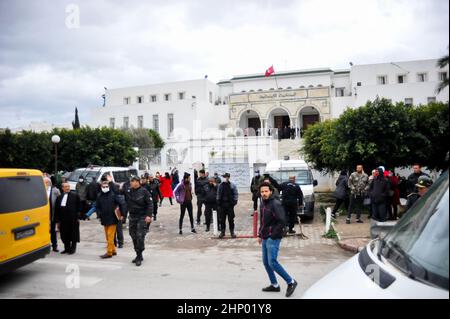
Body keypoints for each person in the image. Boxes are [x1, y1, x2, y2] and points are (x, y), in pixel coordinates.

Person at [258, 182, 298, 298]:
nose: (264, 193)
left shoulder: (275, 203)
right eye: (262, 192)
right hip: (265, 236)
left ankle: (290, 281)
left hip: (273, 237)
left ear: (270, 191)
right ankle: (274, 285)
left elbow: (282, 222)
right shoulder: (262, 203)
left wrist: (273, 235)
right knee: (266, 262)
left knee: (272, 262)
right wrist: (260, 234)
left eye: (266, 191)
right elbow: (263, 221)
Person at [123, 175, 153, 266]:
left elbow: (150, 204)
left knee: (140, 236)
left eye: (132, 181)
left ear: (137, 182)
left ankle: (139, 256)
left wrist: (149, 215)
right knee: (133, 235)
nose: (131, 183)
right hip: (132, 217)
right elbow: (118, 191)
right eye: (131, 181)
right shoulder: (129, 191)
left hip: (142, 217)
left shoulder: (144, 191)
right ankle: (138, 254)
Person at [96, 180, 127, 258]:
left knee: (110, 236)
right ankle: (113, 250)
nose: (105, 188)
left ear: (109, 187)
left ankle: (109, 252)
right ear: (101, 187)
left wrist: (123, 214)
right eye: (104, 187)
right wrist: (99, 215)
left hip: (113, 219)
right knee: (107, 236)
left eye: (107, 186)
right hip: (104, 219)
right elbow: (97, 207)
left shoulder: (113, 195)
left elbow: (122, 203)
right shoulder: (99, 196)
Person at [54, 183, 82, 254]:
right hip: (63, 219)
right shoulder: (59, 197)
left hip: (73, 218)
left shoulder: (75, 196)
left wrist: (78, 216)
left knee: (73, 234)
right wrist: (57, 220)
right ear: (62, 188)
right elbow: (57, 209)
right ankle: (66, 248)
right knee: (64, 234)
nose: (67, 188)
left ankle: (73, 249)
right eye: (66, 187)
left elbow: (79, 207)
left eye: (68, 186)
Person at [216, 173, 239, 239]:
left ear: (228, 177)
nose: (225, 178)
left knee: (231, 219)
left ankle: (232, 232)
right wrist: (218, 200)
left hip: (229, 205)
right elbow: (218, 193)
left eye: (226, 177)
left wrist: (235, 201)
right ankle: (222, 232)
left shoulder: (232, 185)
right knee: (222, 219)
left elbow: (235, 193)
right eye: (224, 177)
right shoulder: (220, 185)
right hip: (222, 205)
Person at [44, 177, 61, 252]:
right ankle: (44, 245)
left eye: (47, 182)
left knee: (53, 231)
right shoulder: (41, 190)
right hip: (43, 215)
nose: (46, 184)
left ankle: (54, 246)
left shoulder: (55, 190)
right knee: (44, 231)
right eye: (44, 182)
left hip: (52, 213)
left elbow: (59, 200)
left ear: (49, 183)